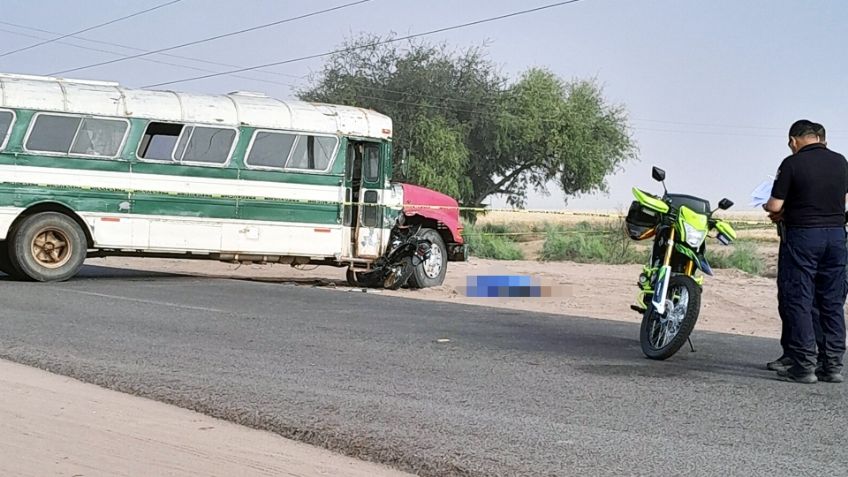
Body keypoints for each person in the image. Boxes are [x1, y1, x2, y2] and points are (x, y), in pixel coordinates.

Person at [764, 119, 848, 384]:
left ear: (793, 141)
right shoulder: (841, 162)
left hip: (803, 237)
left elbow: (775, 205)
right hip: (836, 237)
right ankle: (832, 365)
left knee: (799, 298)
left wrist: (775, 210)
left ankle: (803, 366)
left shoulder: (792, 163)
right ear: (820, 138)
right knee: (832, 301)